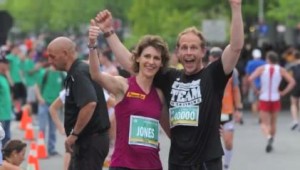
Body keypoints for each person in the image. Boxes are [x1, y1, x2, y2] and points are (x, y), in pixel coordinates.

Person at [95, 0, 243, 169]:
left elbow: (236, 47)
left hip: (207, 161)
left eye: (194, 48)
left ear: (203, 51)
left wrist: (236, 7)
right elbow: (133, 65)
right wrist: (108, 32)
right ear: (178, 52)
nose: (188, 52)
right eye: (184, 48)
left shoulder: (213, 75)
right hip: (178, 162)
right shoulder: (170, 77)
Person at [89, 19, 169, 170]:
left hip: (153, 166)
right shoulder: (123, 85)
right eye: (147, 56)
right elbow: (95, 75)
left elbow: (172, 131)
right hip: (124, 165)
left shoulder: (159, 94)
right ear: (138, 58)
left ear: (161, 63)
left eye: (156, 58)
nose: (151, 62)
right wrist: (92, 44)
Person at [47, 37, 110, 170]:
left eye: (52, 57)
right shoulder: (76, 71)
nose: (50, 61)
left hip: (90, 142)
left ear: (65, 53)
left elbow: (89, 103)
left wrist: (74, 134)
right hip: (86, 142)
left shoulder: (78, 73)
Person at [248, 51, 295, 153]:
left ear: (268, 59)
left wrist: (256, 90)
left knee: (264, 123)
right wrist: (283, 92)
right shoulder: (281, 70)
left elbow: (250, 78)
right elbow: (292, 82)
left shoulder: (262, 68)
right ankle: (271, 140)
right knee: (273, 122)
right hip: (275, 98)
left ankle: (268, 137)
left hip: (264, 98)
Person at [208, 47, 243, 170]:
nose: (215, 58)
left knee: (228, 142)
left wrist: (239, 109)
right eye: (213, 55)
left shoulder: (233, 71)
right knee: (210, 145)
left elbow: (236, 89)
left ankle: (226, 165)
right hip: (210, 115)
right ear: (209, 57)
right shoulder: (205, 71)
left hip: (227, 112)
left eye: (218, 56)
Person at [34, 65, 64, 156]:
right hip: (44, 103)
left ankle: (51, 148)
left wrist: (61, 101)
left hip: (55, 105)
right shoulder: (44, 73)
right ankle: (40, 146)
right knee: (42, 127)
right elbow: (36, 86)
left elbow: (64, 88)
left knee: (53, 128)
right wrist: (39, 98)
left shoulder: (62, 74)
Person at [49, 89, 71, 170]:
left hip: (90, 135)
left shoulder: (93, 86)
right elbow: (52, 108)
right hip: (72, 132)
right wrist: (60, 127)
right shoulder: (69, 90)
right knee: (69, 152)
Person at [245, 48, 266, 121]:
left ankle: (256, 116)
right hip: (263, 85)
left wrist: (246, 85)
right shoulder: (264, 63)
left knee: (254, 102)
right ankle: (261, 116)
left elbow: (247, 75)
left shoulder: (250, 63)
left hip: (252, 84)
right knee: (261, 101)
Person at [0, 53, 12, 146]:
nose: (8, 66)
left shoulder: (3, 78)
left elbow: (13, 87)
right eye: (6, 63)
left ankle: (4, 159)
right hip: (1, 115)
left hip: (7, 114)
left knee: (7, 139)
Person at [287, 50, 300, 130]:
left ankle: (295, 121)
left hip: (295, 85)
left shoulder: (292, 66)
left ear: (293, 57)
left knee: (293, 103)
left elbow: (289, 78)